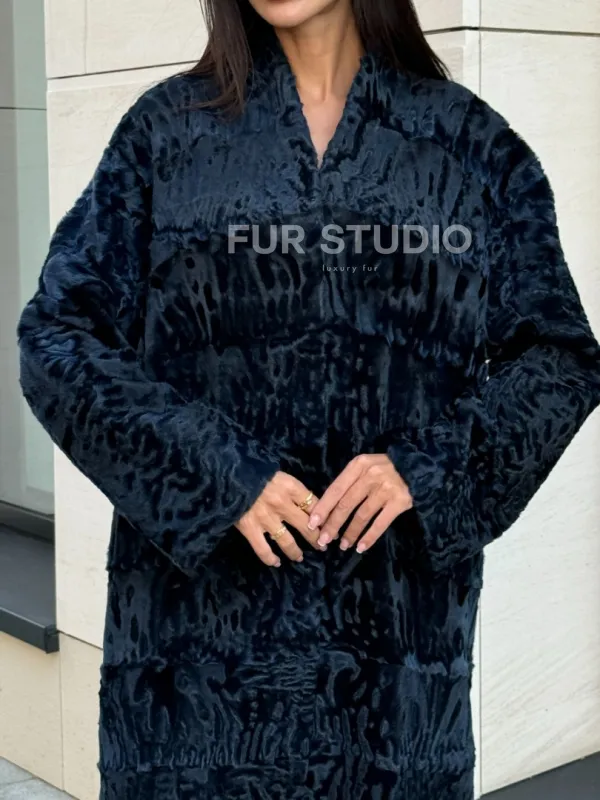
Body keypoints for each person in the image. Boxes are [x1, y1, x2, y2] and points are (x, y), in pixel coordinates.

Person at [17, 0, 600, 798]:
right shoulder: (166, 135)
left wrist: (428, 468)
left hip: (392, 665)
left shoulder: (469, 145)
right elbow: (57, 337)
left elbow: (560, 360)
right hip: (194, 671)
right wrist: (215, 472)